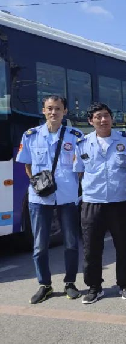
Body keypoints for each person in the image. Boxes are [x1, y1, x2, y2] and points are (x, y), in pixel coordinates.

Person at [16, 95, 83, 304]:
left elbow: (81, 167)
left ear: (65, 112)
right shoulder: (31, 135)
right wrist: (37, 184)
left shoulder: (75, 136)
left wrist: (72, 184)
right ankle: (44, 285)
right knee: (39, 245)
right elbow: (27, 164)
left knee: (71, 243)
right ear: (44, 110)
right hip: (39, 198)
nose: (54, 112)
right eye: (50, 108)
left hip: (67, 196)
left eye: (58, 109)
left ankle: (70, 283)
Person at [73, 102, 126, 304]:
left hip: (120, 202)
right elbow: (79, 172)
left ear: (112, 118)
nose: (103, 120)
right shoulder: (82, 143)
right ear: (90, 121)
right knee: (91, 248)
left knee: (124, 246)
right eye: (98, 117)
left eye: (106, 115)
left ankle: (125, 285)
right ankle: (94, 287)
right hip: (92, 202)